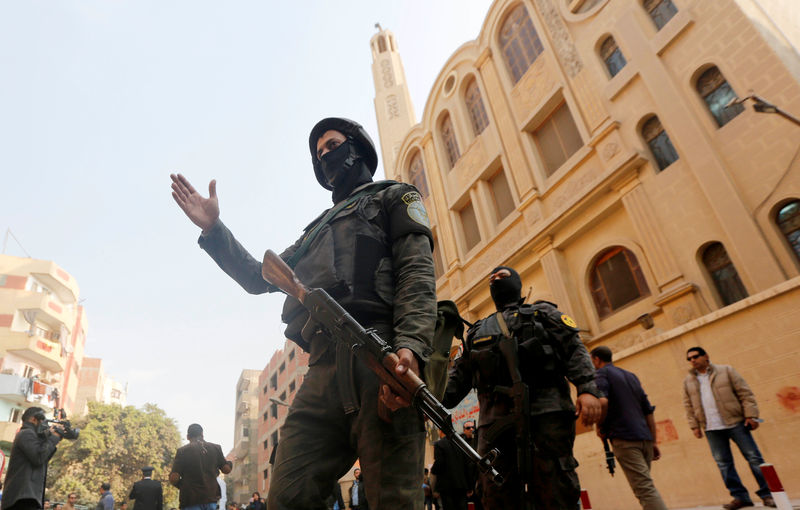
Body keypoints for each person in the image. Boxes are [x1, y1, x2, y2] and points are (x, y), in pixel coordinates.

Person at [170, 117, 436, 510]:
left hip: (381, 360)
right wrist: (214, 230)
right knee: (288, 496)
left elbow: (417, 274)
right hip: (324, 368)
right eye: (319, 153)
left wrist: (411, 347)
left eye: (332, 144)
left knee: (393, 500)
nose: (326, 155)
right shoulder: (314, 231)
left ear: (357, 147)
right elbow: (259, 277)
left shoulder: (395, 196)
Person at [442, 266, 603, 510]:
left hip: (546, 417)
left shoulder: (543, 314)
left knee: (556, 489)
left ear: (517, 282)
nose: (496, 280)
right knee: (495, 493)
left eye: (502, 276)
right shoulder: (476, 331)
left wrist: (588, 389)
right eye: (491, 279)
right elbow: (453, 386)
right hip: (495, 427)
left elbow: (574, 351)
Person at [682, 347, 776, 509]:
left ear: (706, 356)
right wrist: (694, 426)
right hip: (711, 428)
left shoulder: (726, 371)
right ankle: (740, 497)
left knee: (754, 458)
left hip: (737, 422)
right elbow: (688, 405)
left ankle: (768, 495)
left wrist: (751, 415)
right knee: (723, 464)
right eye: (689, 359)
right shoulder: (688, 381)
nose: (692, 360)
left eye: (695, 356)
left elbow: (745, 394)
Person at [590, 346, 667, 510]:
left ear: (596, 359)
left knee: (645, 490)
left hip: (624, 439)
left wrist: (600, 426)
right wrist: (653, 442)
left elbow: (602, 402)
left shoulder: (601, 374)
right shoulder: (631, 376)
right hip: (644, 438)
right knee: (646, 487)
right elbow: (648, 411)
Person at [1, 407, 61, 510]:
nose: (44, 424)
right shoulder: (26, 433)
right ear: (33, 419)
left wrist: (49, 437)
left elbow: (43, 458)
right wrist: (53, 438)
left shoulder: (33, 436)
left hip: (26, 497)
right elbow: (38, 457)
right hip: (22, 498)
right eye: (42, 420)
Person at [169, 424, 232, 510]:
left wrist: (182, 485)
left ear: (188, 437)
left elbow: (174, 478)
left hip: (190, 499)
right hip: (210, 498)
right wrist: (230, 463)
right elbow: (226, 470)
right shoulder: (216, 448)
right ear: (202, 434)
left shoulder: (182, 451)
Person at [431, 430, 468, 510]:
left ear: (440, 432)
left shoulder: (439, 444)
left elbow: (439, 463)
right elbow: (467, 464)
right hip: (461, 485)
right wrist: (469, 485)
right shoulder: (461, 443)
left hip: (446, 486)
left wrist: (433, 470)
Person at [460, 421, 482, 510]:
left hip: (480, 481)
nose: (471, 429)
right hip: (468, 484)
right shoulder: (461, 445)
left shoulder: (478, 442)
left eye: (473, 427)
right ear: (464, 430)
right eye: (468, 428)